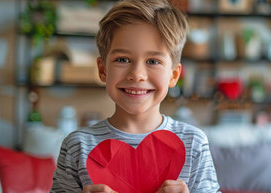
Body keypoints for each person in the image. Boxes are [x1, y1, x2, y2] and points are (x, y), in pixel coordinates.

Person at [50, 0, 220, 192]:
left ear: (173, 75)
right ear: (103, 70)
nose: (137, 74)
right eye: (122, 59)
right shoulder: (77, 146)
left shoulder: (194, 143)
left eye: (153, 61)